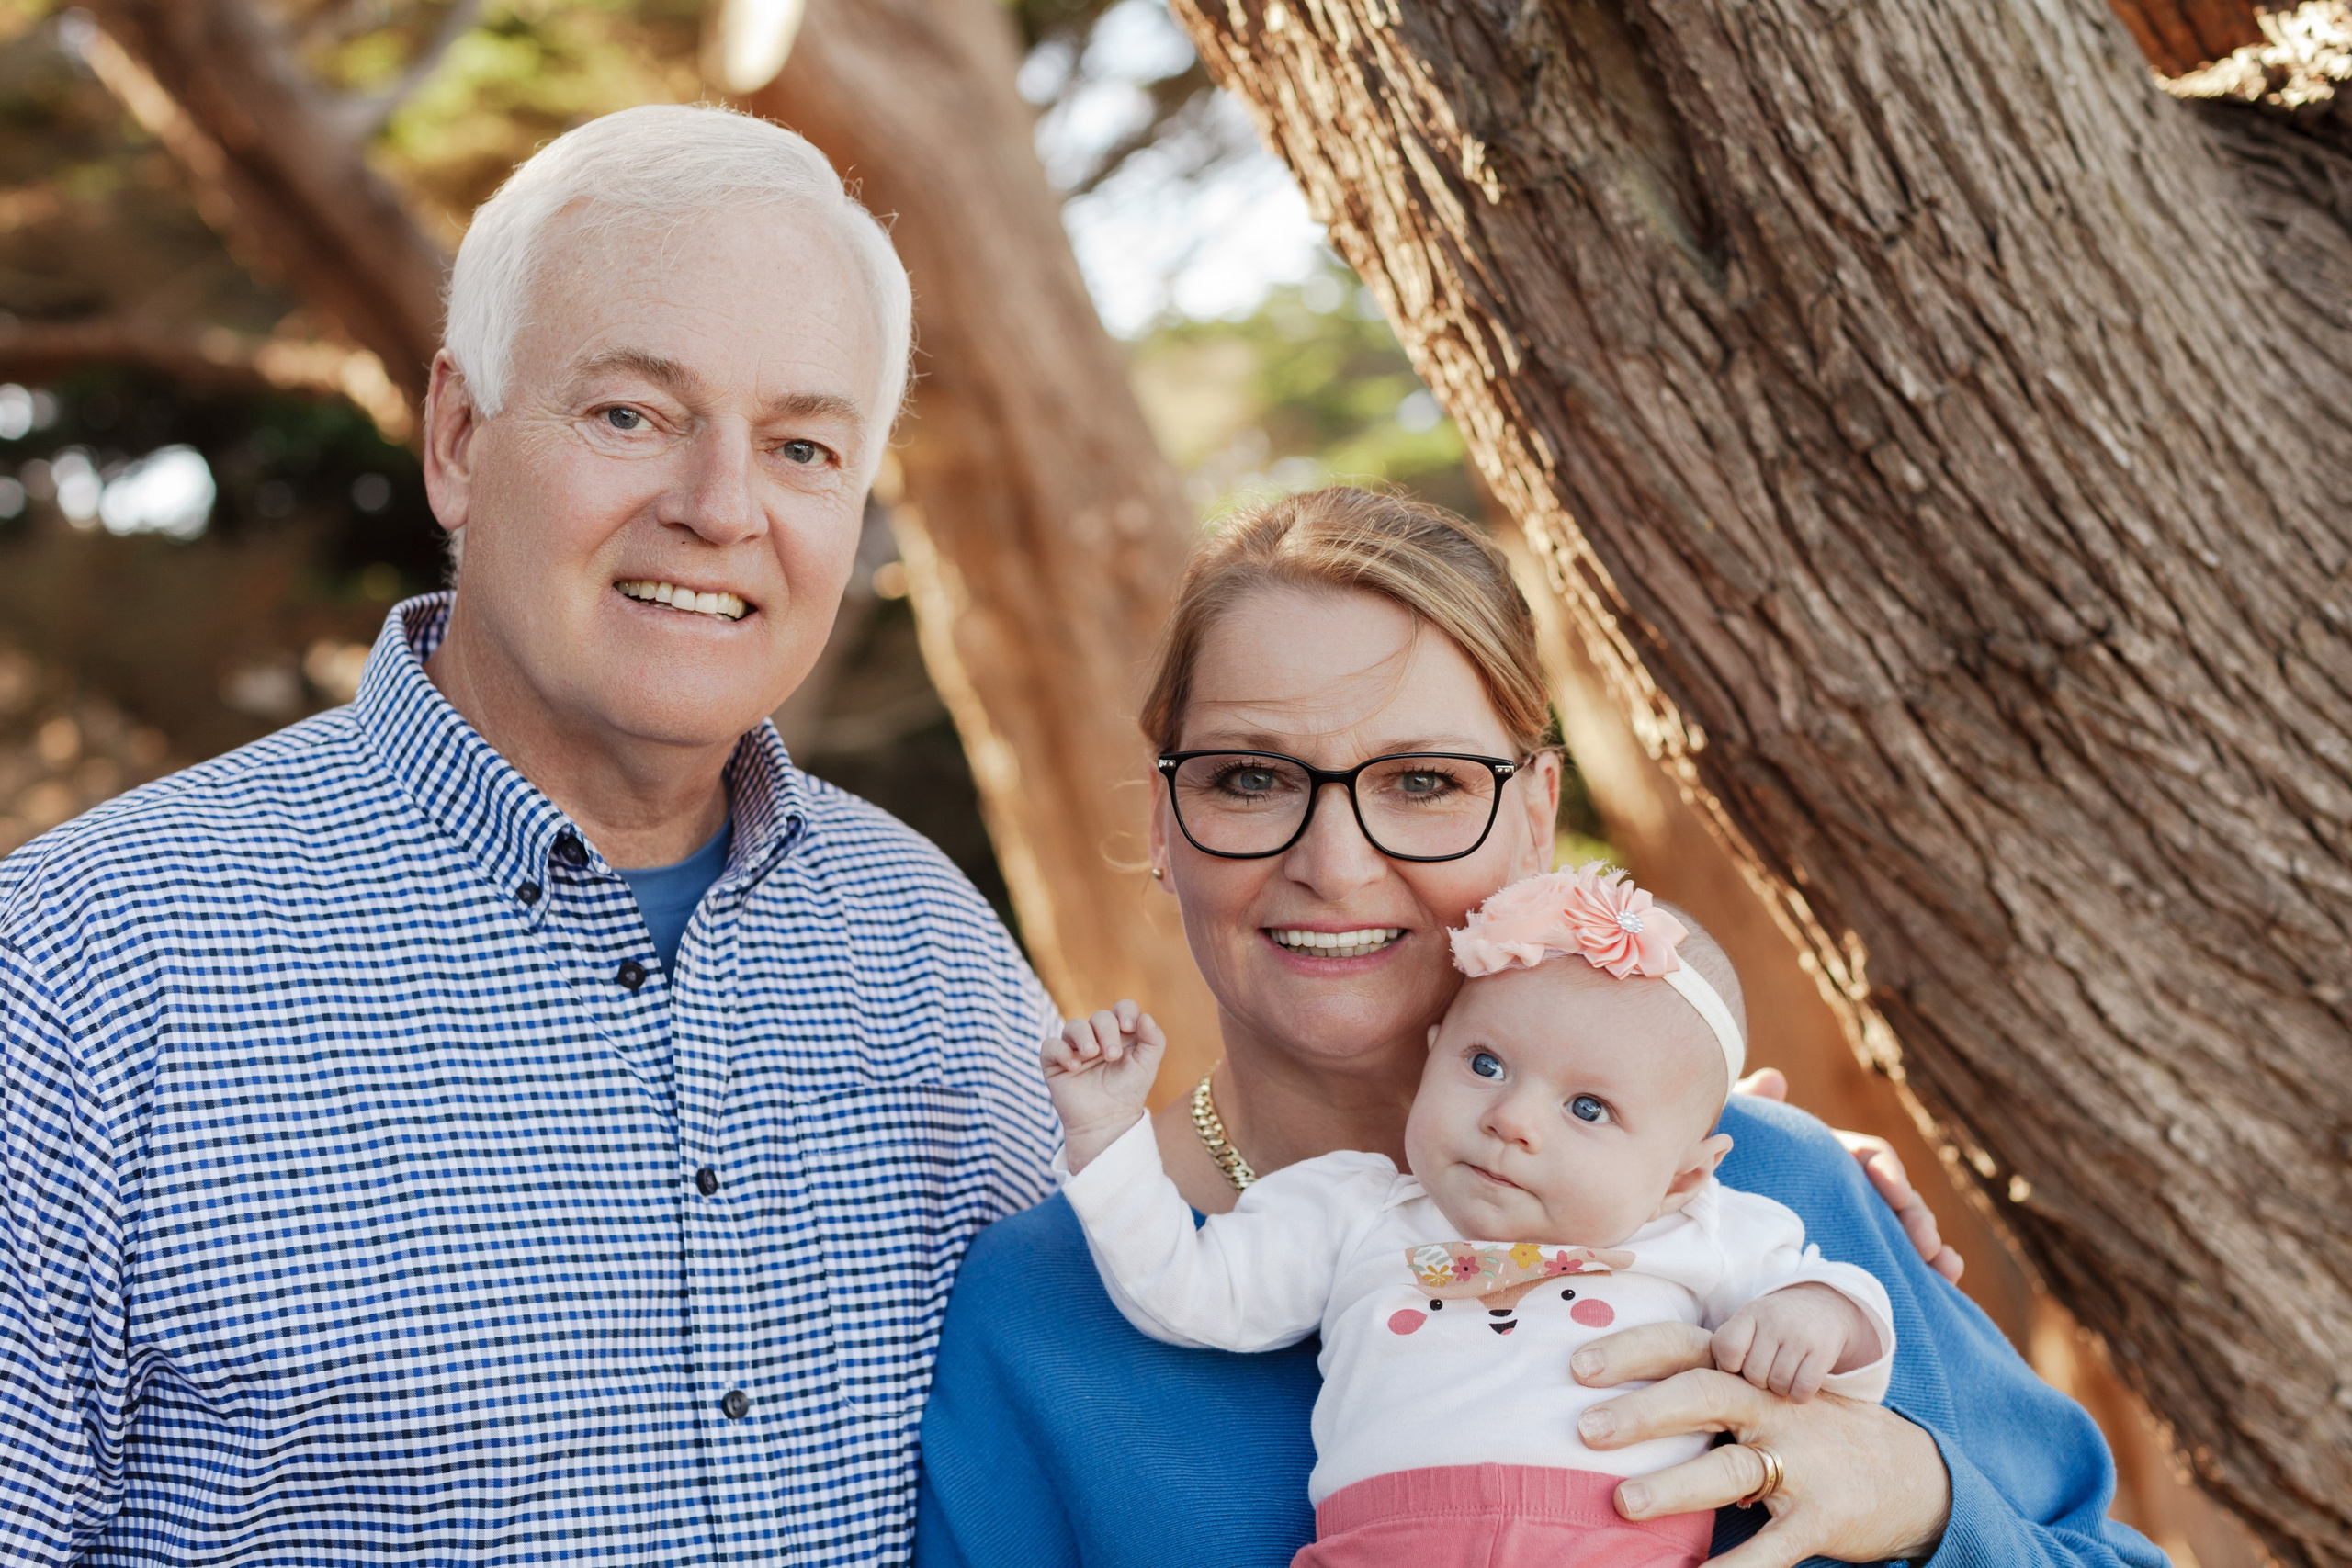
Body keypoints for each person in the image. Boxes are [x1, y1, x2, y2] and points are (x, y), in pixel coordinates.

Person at [0, 104, 1057, 1564]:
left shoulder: (933, 950)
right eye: (632, 414)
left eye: (804, 445)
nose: (719, 509)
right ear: (457, 437)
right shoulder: (79, 967)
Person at [915, 487, 2168, 1568]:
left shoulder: (1773, 1186)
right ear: (1165, 822)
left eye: (1424, 782)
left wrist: (1920, 1498)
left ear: (1535, 817)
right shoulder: (1039, 1311)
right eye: (1252, 776)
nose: (1336, 864)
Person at [1046, 864, 1895, 1568]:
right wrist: (1108, 1137)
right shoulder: (1354, 1208)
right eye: (1485, 1062)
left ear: (1683, 1173)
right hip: (1383, 1546)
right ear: (1429, 1059)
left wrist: (1822, 1313)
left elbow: (1842, 1316)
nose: (1511, 1118)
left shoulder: (1703, 1229)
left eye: (1589, 1109)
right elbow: (1189, 1289)